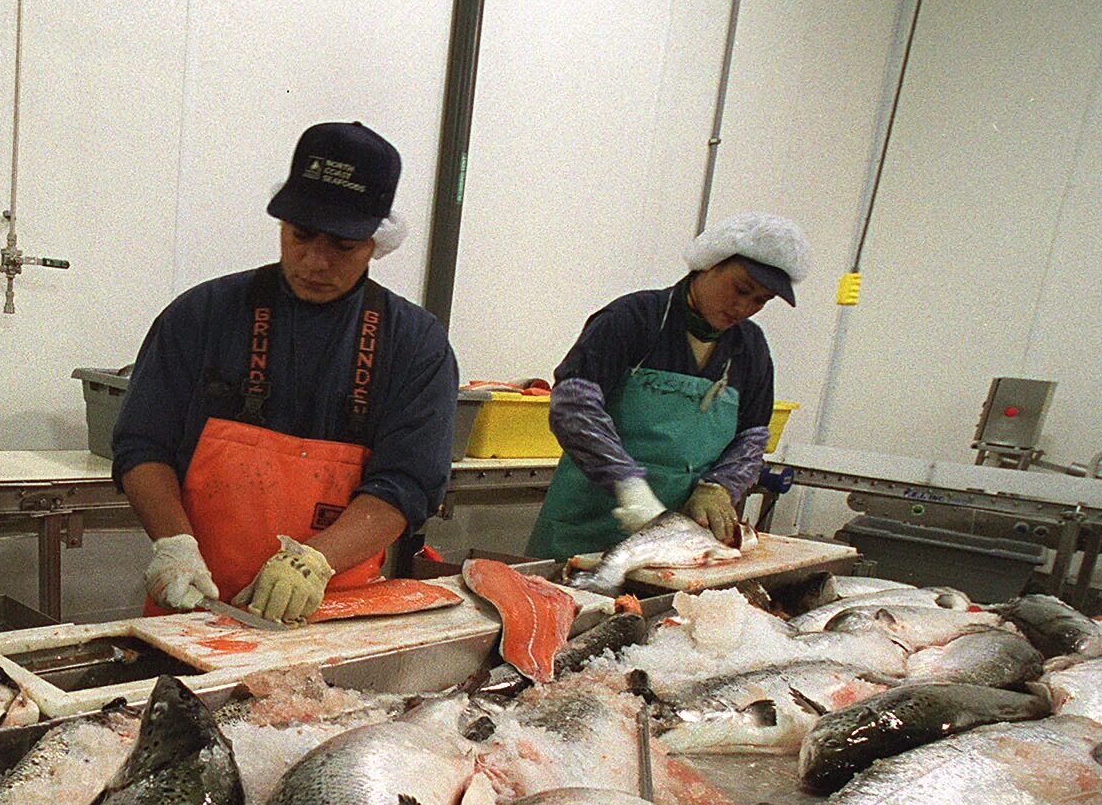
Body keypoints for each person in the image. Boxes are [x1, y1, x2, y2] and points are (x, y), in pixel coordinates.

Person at [110, 122, 458, 628]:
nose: (315, 261)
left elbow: (408, 483)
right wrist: (174, 545)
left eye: (343, 245)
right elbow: (142, 446)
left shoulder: (415, 344)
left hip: (331, 609)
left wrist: (311, 562)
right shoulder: (202, 315)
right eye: (300, 235)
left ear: (376, 242)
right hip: (195, 606)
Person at [525, 212, 810, 561]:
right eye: (741, 289)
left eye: (760, 301)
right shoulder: (633, 319)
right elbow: (574, 407)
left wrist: (718, 487)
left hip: (680, 543)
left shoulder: (750, 347)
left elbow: (751, 438)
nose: (744, 307)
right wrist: (628, 486)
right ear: (709, 263)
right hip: (584, 531)